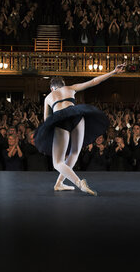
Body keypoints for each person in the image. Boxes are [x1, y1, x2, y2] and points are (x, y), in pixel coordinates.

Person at [33, 63, 126, 195]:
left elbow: (47, 121)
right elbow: (94, 81)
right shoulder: (70, 88)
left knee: (57, 162)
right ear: (63, 85)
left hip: (61, 119)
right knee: (75, 152)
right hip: (78, 116)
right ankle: (59, 183)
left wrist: (52, 139)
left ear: (52, 88)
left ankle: (79, 183)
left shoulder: (49, 97)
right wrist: (113, 72)